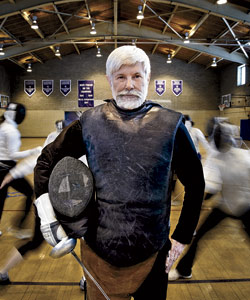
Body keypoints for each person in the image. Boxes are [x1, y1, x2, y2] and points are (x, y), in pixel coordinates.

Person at [34, 45, 205, 300]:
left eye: (136, 76)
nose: (129, 85)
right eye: (121, 77)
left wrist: (181, 237)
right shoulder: (89, 122)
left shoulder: (172, 124)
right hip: (99, 250)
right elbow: (46, 160)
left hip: (154, 250)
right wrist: (48, 214)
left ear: (148, 78)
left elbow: (195, 183)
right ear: (109, 80)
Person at [168, 120, 250, 281]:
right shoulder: (218, 158)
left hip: (246, 206)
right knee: (199, 237)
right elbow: (212, 187)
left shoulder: (245, 157)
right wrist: (204, 200)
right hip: (225, 205)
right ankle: (184, 269)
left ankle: (184, 269)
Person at [0, 119, 66, 285]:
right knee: (87, 239)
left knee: (35, 242)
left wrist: (11, 175)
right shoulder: (69, 153)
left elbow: (28, 164)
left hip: (48, 206)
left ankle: (2, 272)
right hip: (55, 206)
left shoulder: (47, 152)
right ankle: (85, 279)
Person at [0, 103, 41, 237]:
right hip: (6, 169)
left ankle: (17, 225)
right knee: (29, 192)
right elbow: (12, 154)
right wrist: (33, 151)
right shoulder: (10, 130)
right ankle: (18, 225)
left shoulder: (4, 126)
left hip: (3, 168)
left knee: (1, 200)